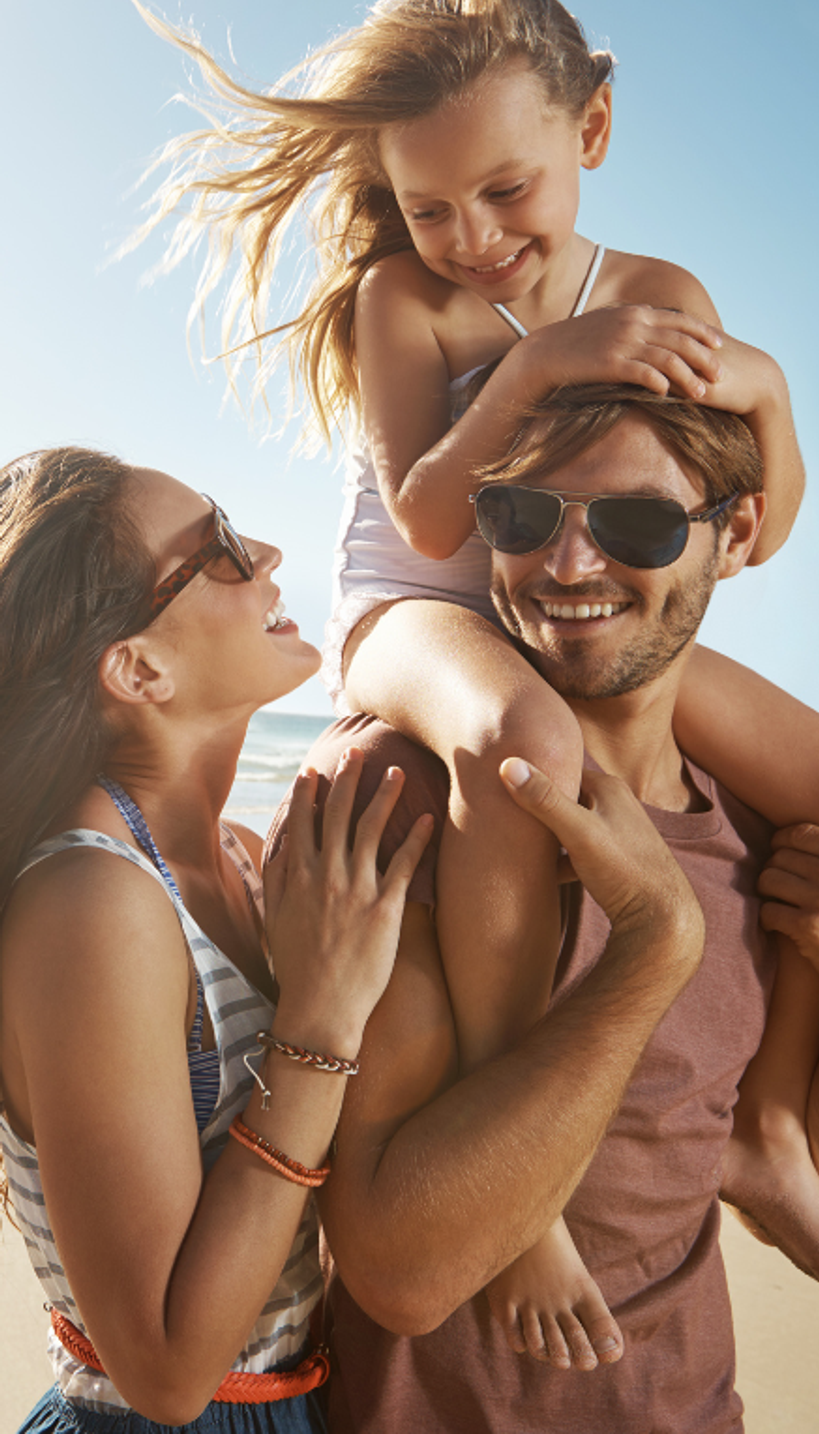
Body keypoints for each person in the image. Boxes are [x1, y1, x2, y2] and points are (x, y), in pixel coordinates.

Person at [127, 0, 819, 1344]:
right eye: (430, 207)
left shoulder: (662, 283)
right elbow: (429, 521)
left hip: (569, 600)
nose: (474, 237)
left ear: (590, 131)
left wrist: (772, 392)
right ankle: (524, 1189)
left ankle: (773, 1125)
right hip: (417, 617)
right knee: (524, 749)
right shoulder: (405, 303)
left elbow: (751, 523)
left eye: (507, 191)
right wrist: (543, 363)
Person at [263, 383, 819, 1428]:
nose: (568, 565)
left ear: (737, 534)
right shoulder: (399, 800)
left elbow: (797, 1177)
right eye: (521, 516)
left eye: (636, 522)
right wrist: (653, 948)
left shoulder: (768, 831)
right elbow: (402, 1274)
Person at [0, 447, 439, 1431]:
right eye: (222, 551)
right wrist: (319, 1025)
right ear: (139, 668)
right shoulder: (93, 905)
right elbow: (163, 1374)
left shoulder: (243, 859)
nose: (270, 551)